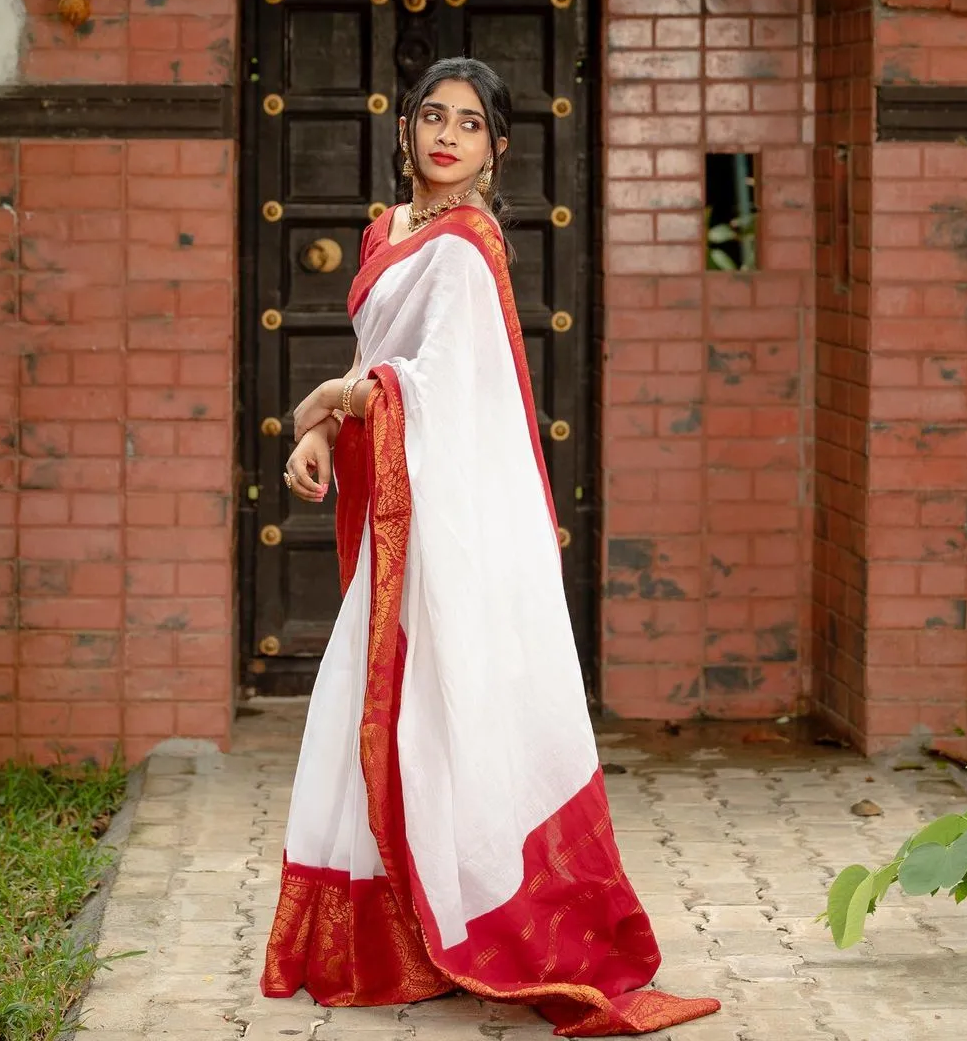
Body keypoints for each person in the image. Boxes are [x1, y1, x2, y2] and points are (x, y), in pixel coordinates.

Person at [260, 57, 719, 1037]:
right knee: (369, 708)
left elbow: (439, 391)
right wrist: (317, 427)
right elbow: (378, 368)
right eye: (434, 116)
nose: (447, 136)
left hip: (446, 522)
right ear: (405, 130)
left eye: (470, 124)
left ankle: (462, 917)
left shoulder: (470, 249)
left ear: (496, 148)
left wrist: (328, 403)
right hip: (399, 509)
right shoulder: (387, 233)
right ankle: (383, 931)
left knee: (435, 706)